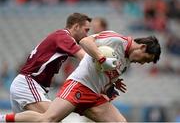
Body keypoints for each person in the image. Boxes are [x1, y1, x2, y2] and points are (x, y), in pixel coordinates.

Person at [0, 30, 161, 122]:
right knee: (47, 120)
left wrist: (111, 84)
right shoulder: (117, 40)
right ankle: (3, 118)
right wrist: (101, 57)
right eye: (145, 59)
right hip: (78, 86)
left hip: (94, 96)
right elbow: (85, 41)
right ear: (142, 47)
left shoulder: (127, 61)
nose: (142, 63)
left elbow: (103, 74)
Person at [7, 13, 118, 114]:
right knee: (51, 117)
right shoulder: (64, 37)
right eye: (86, 30)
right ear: (76, 27)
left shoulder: (61, 37)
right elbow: (86, 58)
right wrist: (107, 71)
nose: (87, 35)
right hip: (29, 83)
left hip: (28, 84)